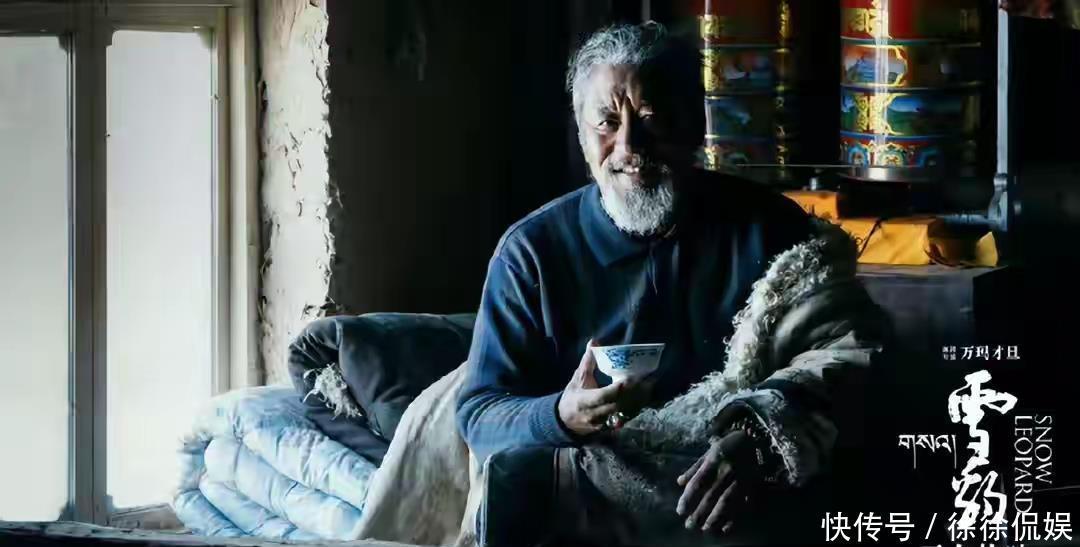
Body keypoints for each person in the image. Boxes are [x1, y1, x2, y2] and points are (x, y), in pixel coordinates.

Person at [454, 22, 888, 546]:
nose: (629, 146)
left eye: (652, 119)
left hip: (740, 500)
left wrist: (760, 435)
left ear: (696, 126)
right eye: (606, 122)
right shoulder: (532, 253)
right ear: (582, 135)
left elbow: (849, 351)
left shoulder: (772, 229)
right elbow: (480, 414)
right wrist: (561, 415)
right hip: (594, 508)